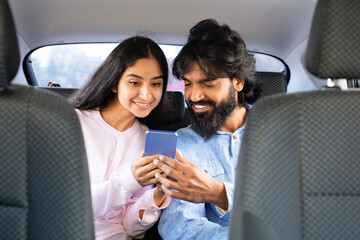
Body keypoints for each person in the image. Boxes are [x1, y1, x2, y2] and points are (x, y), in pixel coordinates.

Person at [154, 19, 261, 239]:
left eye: (208, 83)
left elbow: (294, 206)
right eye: (188, 83)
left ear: (238, 82)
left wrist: (220, 194)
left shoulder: (281, 133)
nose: (194, 96)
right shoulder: (179, 145)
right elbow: (180, 228)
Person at [70, 36, 171, 240]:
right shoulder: (72, 123)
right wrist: (129, 180)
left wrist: (159, 194)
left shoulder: (147, 139)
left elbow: (131, 227)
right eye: (135, 82)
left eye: (156, 84)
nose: (146, 94)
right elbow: (65, 206)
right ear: (114, 83)